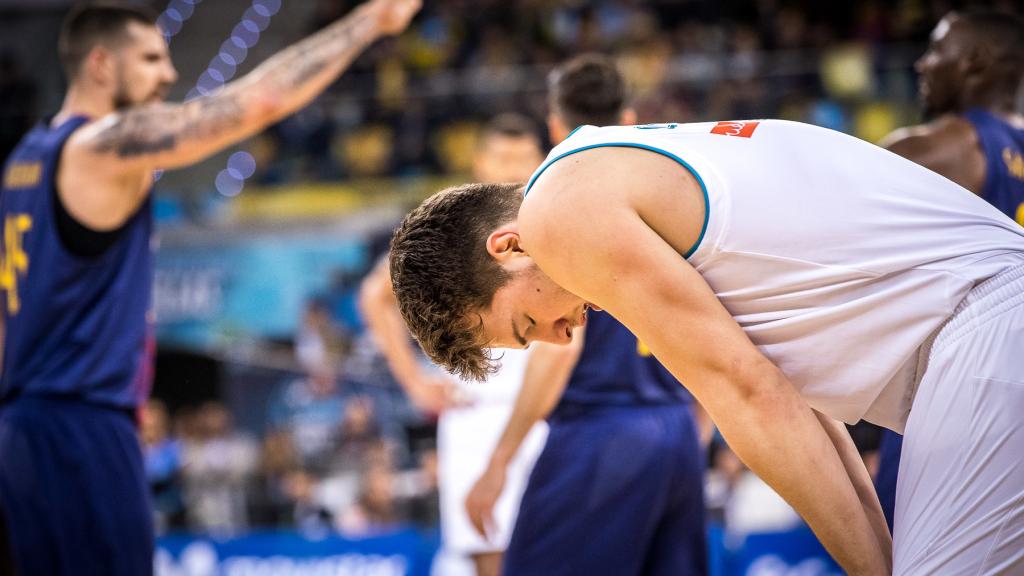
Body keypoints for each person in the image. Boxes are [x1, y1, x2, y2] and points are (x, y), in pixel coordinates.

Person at [390, 109, 1024, 573]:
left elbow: (751, 397)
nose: (559, 338)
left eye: (526, 326)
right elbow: (795, 404)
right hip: (975, 333)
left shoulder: (558, 216)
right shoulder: (607, 177)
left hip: (981, 330)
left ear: (508, 246)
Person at [0, 1, 420, 574]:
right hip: (83, 430)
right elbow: (258, 101)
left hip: (23, 429)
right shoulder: (99, 148)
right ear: (99, 64)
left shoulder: (24, 158)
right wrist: (370, 21)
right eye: (150, 59)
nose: (169, 76)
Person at [463, 54, 707, 576]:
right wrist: (700, 421)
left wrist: (500, 460)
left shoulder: (559, 199)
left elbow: (561, 351)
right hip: (676, 428)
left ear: (553, 124)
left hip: (602, 433)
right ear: (628, 119)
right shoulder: (668, 189)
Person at [359, 113, 548, 576]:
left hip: (549, 410)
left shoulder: (552, 219)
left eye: (523, 159)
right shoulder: (454, 225)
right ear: (479, 161)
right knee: (491, 556)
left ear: (542, 161)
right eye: (502, 158)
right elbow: (374, 297)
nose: (512, 168)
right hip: (477, 410)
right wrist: (415, 383)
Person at [873, 9, 1024, 533]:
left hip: (949, 408)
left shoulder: (935, 150)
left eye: (936, 50)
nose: (922, 63)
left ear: (974, 63)